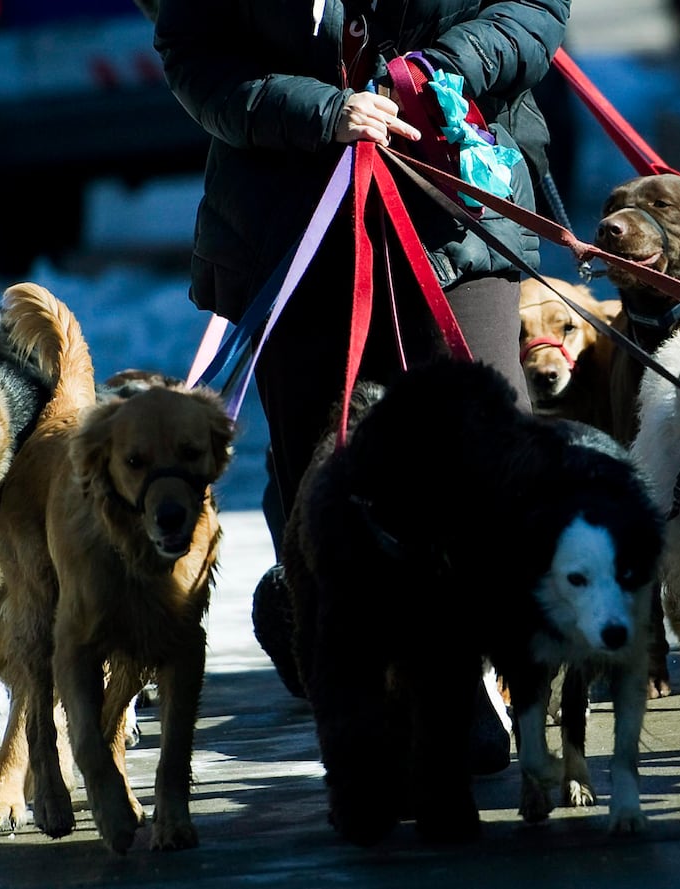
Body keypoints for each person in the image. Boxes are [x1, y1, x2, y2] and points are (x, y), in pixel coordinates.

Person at [154, 0, 571, 772]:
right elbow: (191, 49)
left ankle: (475, 673)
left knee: (490, 454)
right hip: (287, 219)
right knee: (331, 485)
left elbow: (537, 8)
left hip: (455, 201)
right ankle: (375, 696)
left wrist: (438, 71)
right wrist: (322, 110)